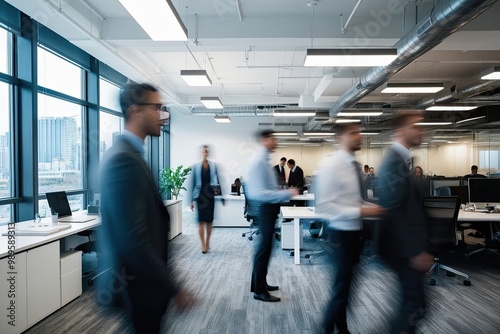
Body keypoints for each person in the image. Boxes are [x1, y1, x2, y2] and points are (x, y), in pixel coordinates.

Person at [99, 82, 193, 333]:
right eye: (157, 108)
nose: (163, 116)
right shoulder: (123, 159)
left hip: (142, 285)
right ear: (135, 111)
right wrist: (173, 288)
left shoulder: (132, 154)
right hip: (137, 287)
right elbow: (135, 240)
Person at [315, 123, 384, 334]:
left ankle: (342, 328)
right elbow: (324, 206)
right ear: (340, 139)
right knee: (341, 289)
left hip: (356, 234)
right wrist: (360, 211)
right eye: (353, 133)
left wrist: (372, 208)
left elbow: (356, 200)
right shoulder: (332, 165)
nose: (359, 136)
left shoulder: (354, 165)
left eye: (359, 132)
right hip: (340, 235)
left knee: (346, 288)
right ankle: (326, 329)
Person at [374, 111, 434, 334]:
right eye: (415, 126)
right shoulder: (393, 163)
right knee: (414, 305)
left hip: (408, 247)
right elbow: (394, 213)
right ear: (400, 131)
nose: (421, 131)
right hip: (404, 249)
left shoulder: (402, 160)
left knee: (415, 305)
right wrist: (414, 252)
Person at [245, 129, 299, 302]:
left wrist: (281, 192)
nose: (275, 141)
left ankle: (260, 283)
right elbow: (258, 193)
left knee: (265, 249)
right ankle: (259, 291)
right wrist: (286, 194)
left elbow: (267, 189)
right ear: (264, 140)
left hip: (270, 209)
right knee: (263, 250)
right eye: (272, 138)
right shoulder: (258, 162)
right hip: (266, 209)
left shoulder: (265, 161)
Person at [190, 145, 224, 254]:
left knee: (209, 221)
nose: (205, 153)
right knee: (200, 222)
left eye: (206, 152)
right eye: (203, 152)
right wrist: (191, 200)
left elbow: (218, 181)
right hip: (200, 197)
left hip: (210, 197)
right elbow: (192, 183)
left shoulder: (213, 166)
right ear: (201, 153)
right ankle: (202, 244)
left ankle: (208, 242)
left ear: (208, 153)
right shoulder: (195, 167)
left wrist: (222, 196)